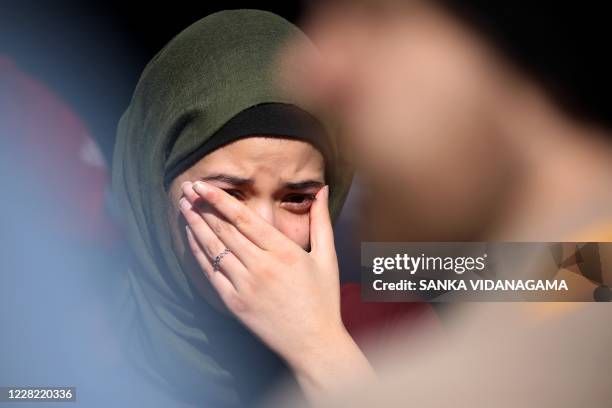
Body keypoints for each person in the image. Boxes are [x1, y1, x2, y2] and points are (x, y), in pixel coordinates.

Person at [111, 9, 438, 407]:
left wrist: (321, 351)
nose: (265, 230)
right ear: (151, 190)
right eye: (230, 195)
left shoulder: (394, 336)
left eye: (297, 199)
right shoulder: (55, 334)